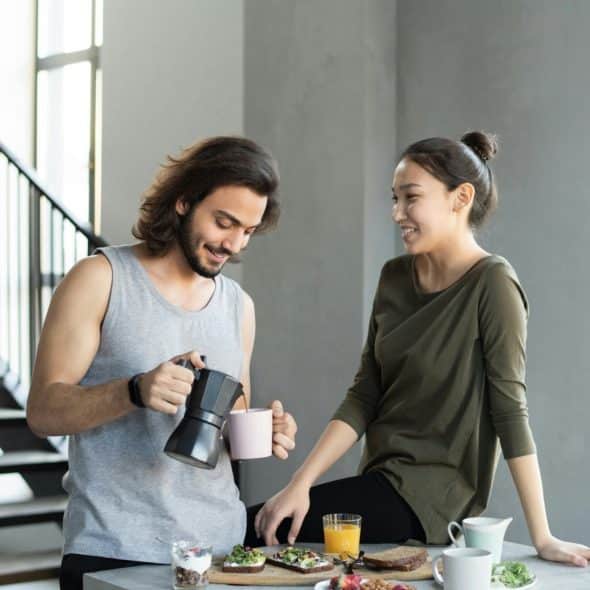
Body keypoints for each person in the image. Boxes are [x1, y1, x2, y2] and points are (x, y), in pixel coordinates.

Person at [247, 131, 590, 567]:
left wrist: (542, 536)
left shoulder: (493, 283)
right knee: (266, 525)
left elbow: (510, 410)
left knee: (254, 526)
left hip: (430, 502)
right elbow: (364, 395)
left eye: (410, 198)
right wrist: (300, 482)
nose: (397, 213)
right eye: (394, 199)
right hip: (379, 483)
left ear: (460, 197)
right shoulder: (393, 278)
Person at [26, 136, 298, 590]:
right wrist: (132, 391)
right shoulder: (100, 279)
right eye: (224, 222)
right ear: (184, 201)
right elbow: (42, 412)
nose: (233, 243)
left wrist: (265, 431)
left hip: (222, 554)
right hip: (113, 552)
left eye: (247, 231)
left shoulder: (239, 306)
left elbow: (230, 422)